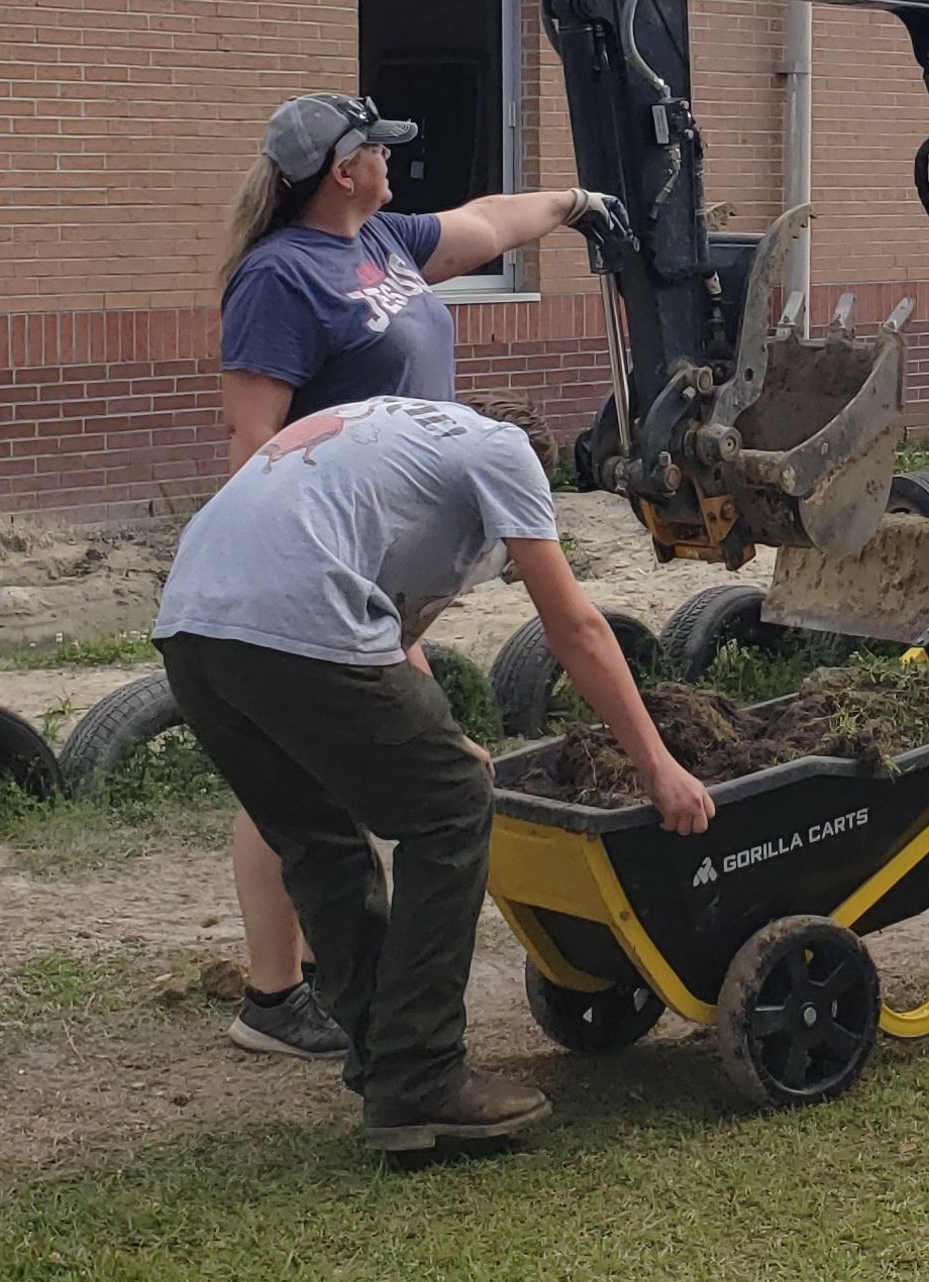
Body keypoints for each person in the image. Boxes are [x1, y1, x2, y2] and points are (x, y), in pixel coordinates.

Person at [155, 394, 713, 1158]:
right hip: (295, 616)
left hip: (190, 626)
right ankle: (421, 1076)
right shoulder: (506, 451)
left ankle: (386, 1066)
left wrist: (440, 733)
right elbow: (575, 627)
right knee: (451, 806)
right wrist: (659, 769)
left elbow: (394, 622)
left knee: (318, 836)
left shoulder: (393, 436)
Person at [203, 90, 614, 1061]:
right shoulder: (278, 278)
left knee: (324, 775)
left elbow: (482, 224)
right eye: (376, 149)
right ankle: (287, 996)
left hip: (392, 562)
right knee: (359, 776)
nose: (392, 160)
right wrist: (288, 568)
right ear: (342, 171)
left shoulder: (382, 241)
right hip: (330, 558)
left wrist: (576, 202)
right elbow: (250, 437)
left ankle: (301, 987)